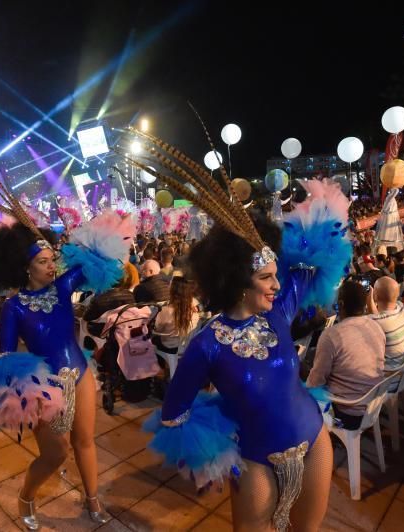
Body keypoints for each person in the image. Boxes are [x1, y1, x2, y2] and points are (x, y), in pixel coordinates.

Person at [138, 138, 350, 531]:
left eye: (275, 276)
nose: (276, 285)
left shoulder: (281, 311)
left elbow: (317, 259)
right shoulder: (206, 344)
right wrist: (223, 425)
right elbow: (173, 415)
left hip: (314, 440)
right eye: (266, 278)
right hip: (254, 459)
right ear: (238, 283)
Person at [0, 176, 134, 528]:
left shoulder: (63, 287)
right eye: (44, 261)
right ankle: (27, 495)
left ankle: (93, 499)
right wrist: (20, 397)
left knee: (84, 441)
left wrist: (107, 223)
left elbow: (97, 256)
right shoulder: (14, 307)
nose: (52, 266)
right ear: (26, 267)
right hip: (42, 386)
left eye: (53, 259)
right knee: (55, 452)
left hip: (79, 373)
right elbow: (6, 359)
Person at [308, 281, 385, 427]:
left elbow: (316, 382)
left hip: (347, 411)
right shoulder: (375, 325)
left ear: (341, 304)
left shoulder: (332, 335)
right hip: (374, 404)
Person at [367, 276, 404, 372]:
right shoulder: (403, 308)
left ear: (375, 296)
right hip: (402, 372)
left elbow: (376, 319)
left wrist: (369, 301)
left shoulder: (374, 322)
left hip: (384, 381)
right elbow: (380, 318)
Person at [153, 276, 200, 353]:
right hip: (185, 346)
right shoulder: (194, 307)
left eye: (170, 285)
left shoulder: (166, 311)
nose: (168, 286)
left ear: (173, 291)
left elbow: (157, 329)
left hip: (168, 346)